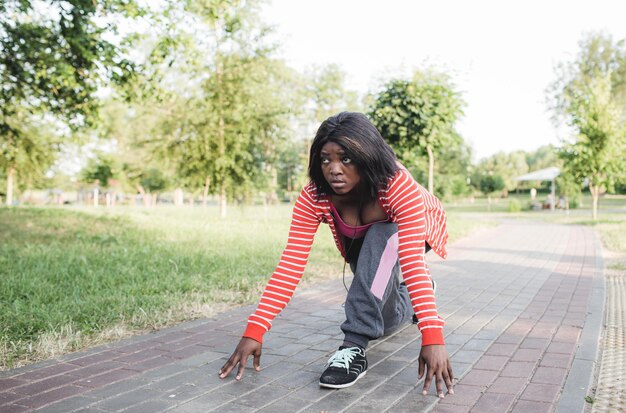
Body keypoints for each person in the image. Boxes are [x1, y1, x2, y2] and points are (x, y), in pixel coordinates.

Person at [219, 112, 454, 397]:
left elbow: (413, 262)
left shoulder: (395, 184)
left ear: (366, 155)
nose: (334, 169)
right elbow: (290, 265)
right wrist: (254, 331)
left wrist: (432, 336)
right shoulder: (314, 196)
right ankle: (410, 299)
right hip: (362, 240)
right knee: (383, 317)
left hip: (415, 227)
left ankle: (353, 348)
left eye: (346, 158)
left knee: (381, 239)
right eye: (325, 159)